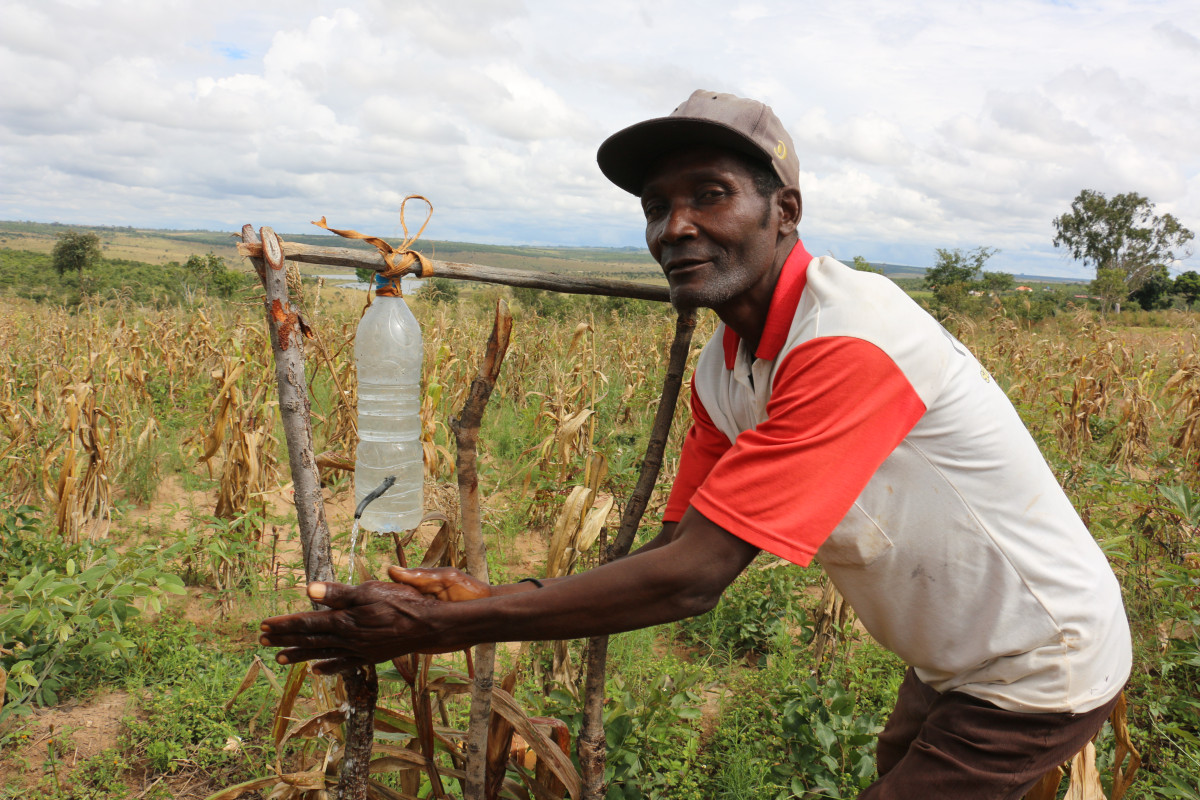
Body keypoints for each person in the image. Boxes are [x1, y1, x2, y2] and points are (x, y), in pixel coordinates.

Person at [261, 90, 1132, 798]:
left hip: (1037, 661)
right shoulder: (726, 367)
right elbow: (680, 544)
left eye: (709, 194)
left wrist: (443, 627)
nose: (673, 227)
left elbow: (694, 581)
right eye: (656, 207)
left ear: (785, 211)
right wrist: (496, 596)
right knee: (899, 763)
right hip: (951, 657)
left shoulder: (849, 339)